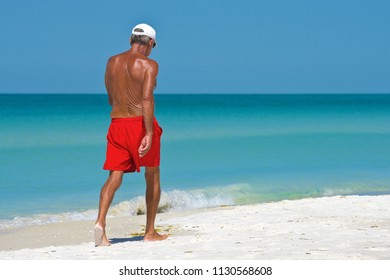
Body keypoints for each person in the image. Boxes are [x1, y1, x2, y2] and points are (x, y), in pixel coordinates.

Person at [94, 23, 167, 246]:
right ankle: (150, 232)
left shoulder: (111, 62)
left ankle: (100, 225)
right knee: (152, 174)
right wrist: (148, 131)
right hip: (140, 123)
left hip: (117, 123)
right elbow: (146, 99)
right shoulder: (149, 65)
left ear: (130, 39)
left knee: (114, 176)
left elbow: (110, 97)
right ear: (151, 43)